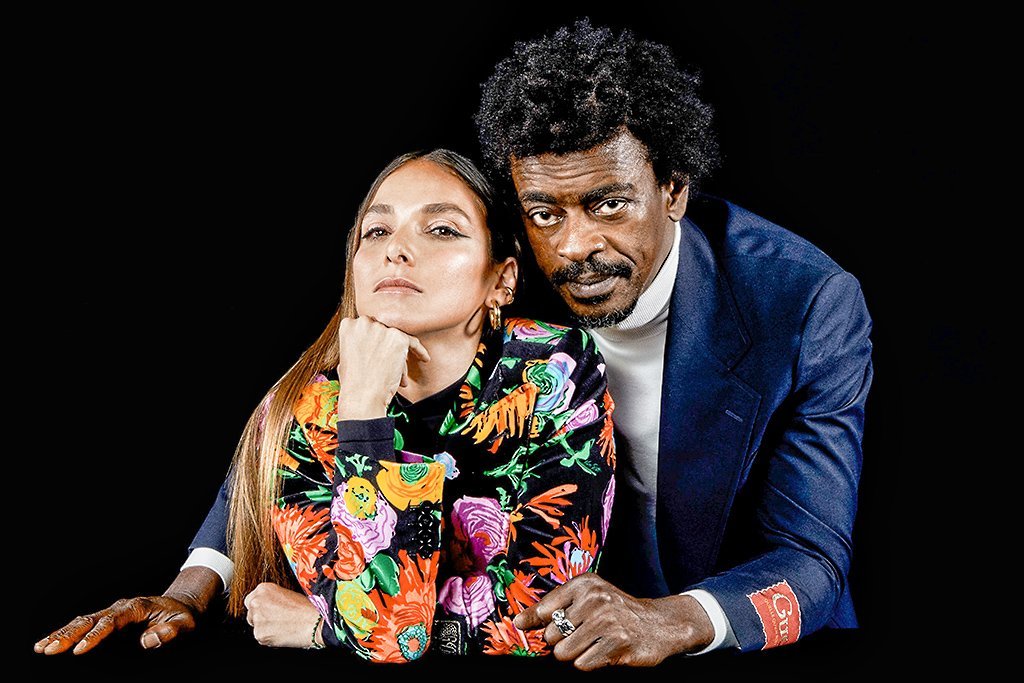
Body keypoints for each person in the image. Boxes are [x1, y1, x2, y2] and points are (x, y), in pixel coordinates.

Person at [39, 18, 875, 670]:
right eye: (545, 213)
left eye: (610, 204)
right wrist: (195, 583)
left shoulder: (802, 303)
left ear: (675, 188)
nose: (575, 246)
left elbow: (810, 556)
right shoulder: (493, 259)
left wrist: (674, 619)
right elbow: (293, 422)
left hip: (717, 638)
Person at [34, 149, 616, 662]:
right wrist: (363, 413)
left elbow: (548, 618)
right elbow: (388, 633)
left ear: (502, 280)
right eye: (376, 232)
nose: (397, 251)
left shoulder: (557, 372)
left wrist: (321, 628)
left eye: (442, 230)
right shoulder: (311, 409)